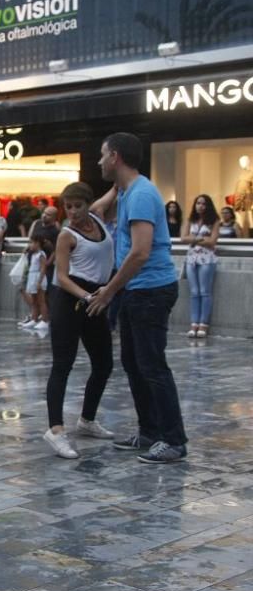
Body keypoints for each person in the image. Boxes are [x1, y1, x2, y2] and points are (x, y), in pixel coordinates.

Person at [87, 132, 188, 464]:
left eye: (103, 155)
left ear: (115, 157)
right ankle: (149, 432)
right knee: (134, 364)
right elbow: (103, 202)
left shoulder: (142, 194)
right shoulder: (128, 189)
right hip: (135, 290)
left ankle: (173, 439)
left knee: (152, 366)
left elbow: (140, 252)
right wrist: (109, 194)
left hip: (150, 290)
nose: (99, 161)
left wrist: (110, 290)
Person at [43, 182, 115, 459]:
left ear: (88, 204)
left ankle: (86, 420)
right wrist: (88, 297)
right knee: (63, 364)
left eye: (77, 206)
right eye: (68, 207)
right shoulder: (66, 235)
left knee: (104, 363)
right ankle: (56, 430)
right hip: (71, 299)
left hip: (95, 298)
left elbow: (115, 191)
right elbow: (61, 276)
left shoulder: (97, 216)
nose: (72, 212)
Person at [181, 194, 220, 338]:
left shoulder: (214, 221)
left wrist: (194, 240)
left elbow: (212, 241)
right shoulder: (190, 220)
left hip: (207, 259)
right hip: (192, 258)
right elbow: (183, 238)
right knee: (194, 292)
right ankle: (194, 323)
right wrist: (201, 239)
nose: (200, 206)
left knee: (205, 291)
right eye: (198, 203)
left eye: (203, 204)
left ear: (208, 205)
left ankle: (203, 324)